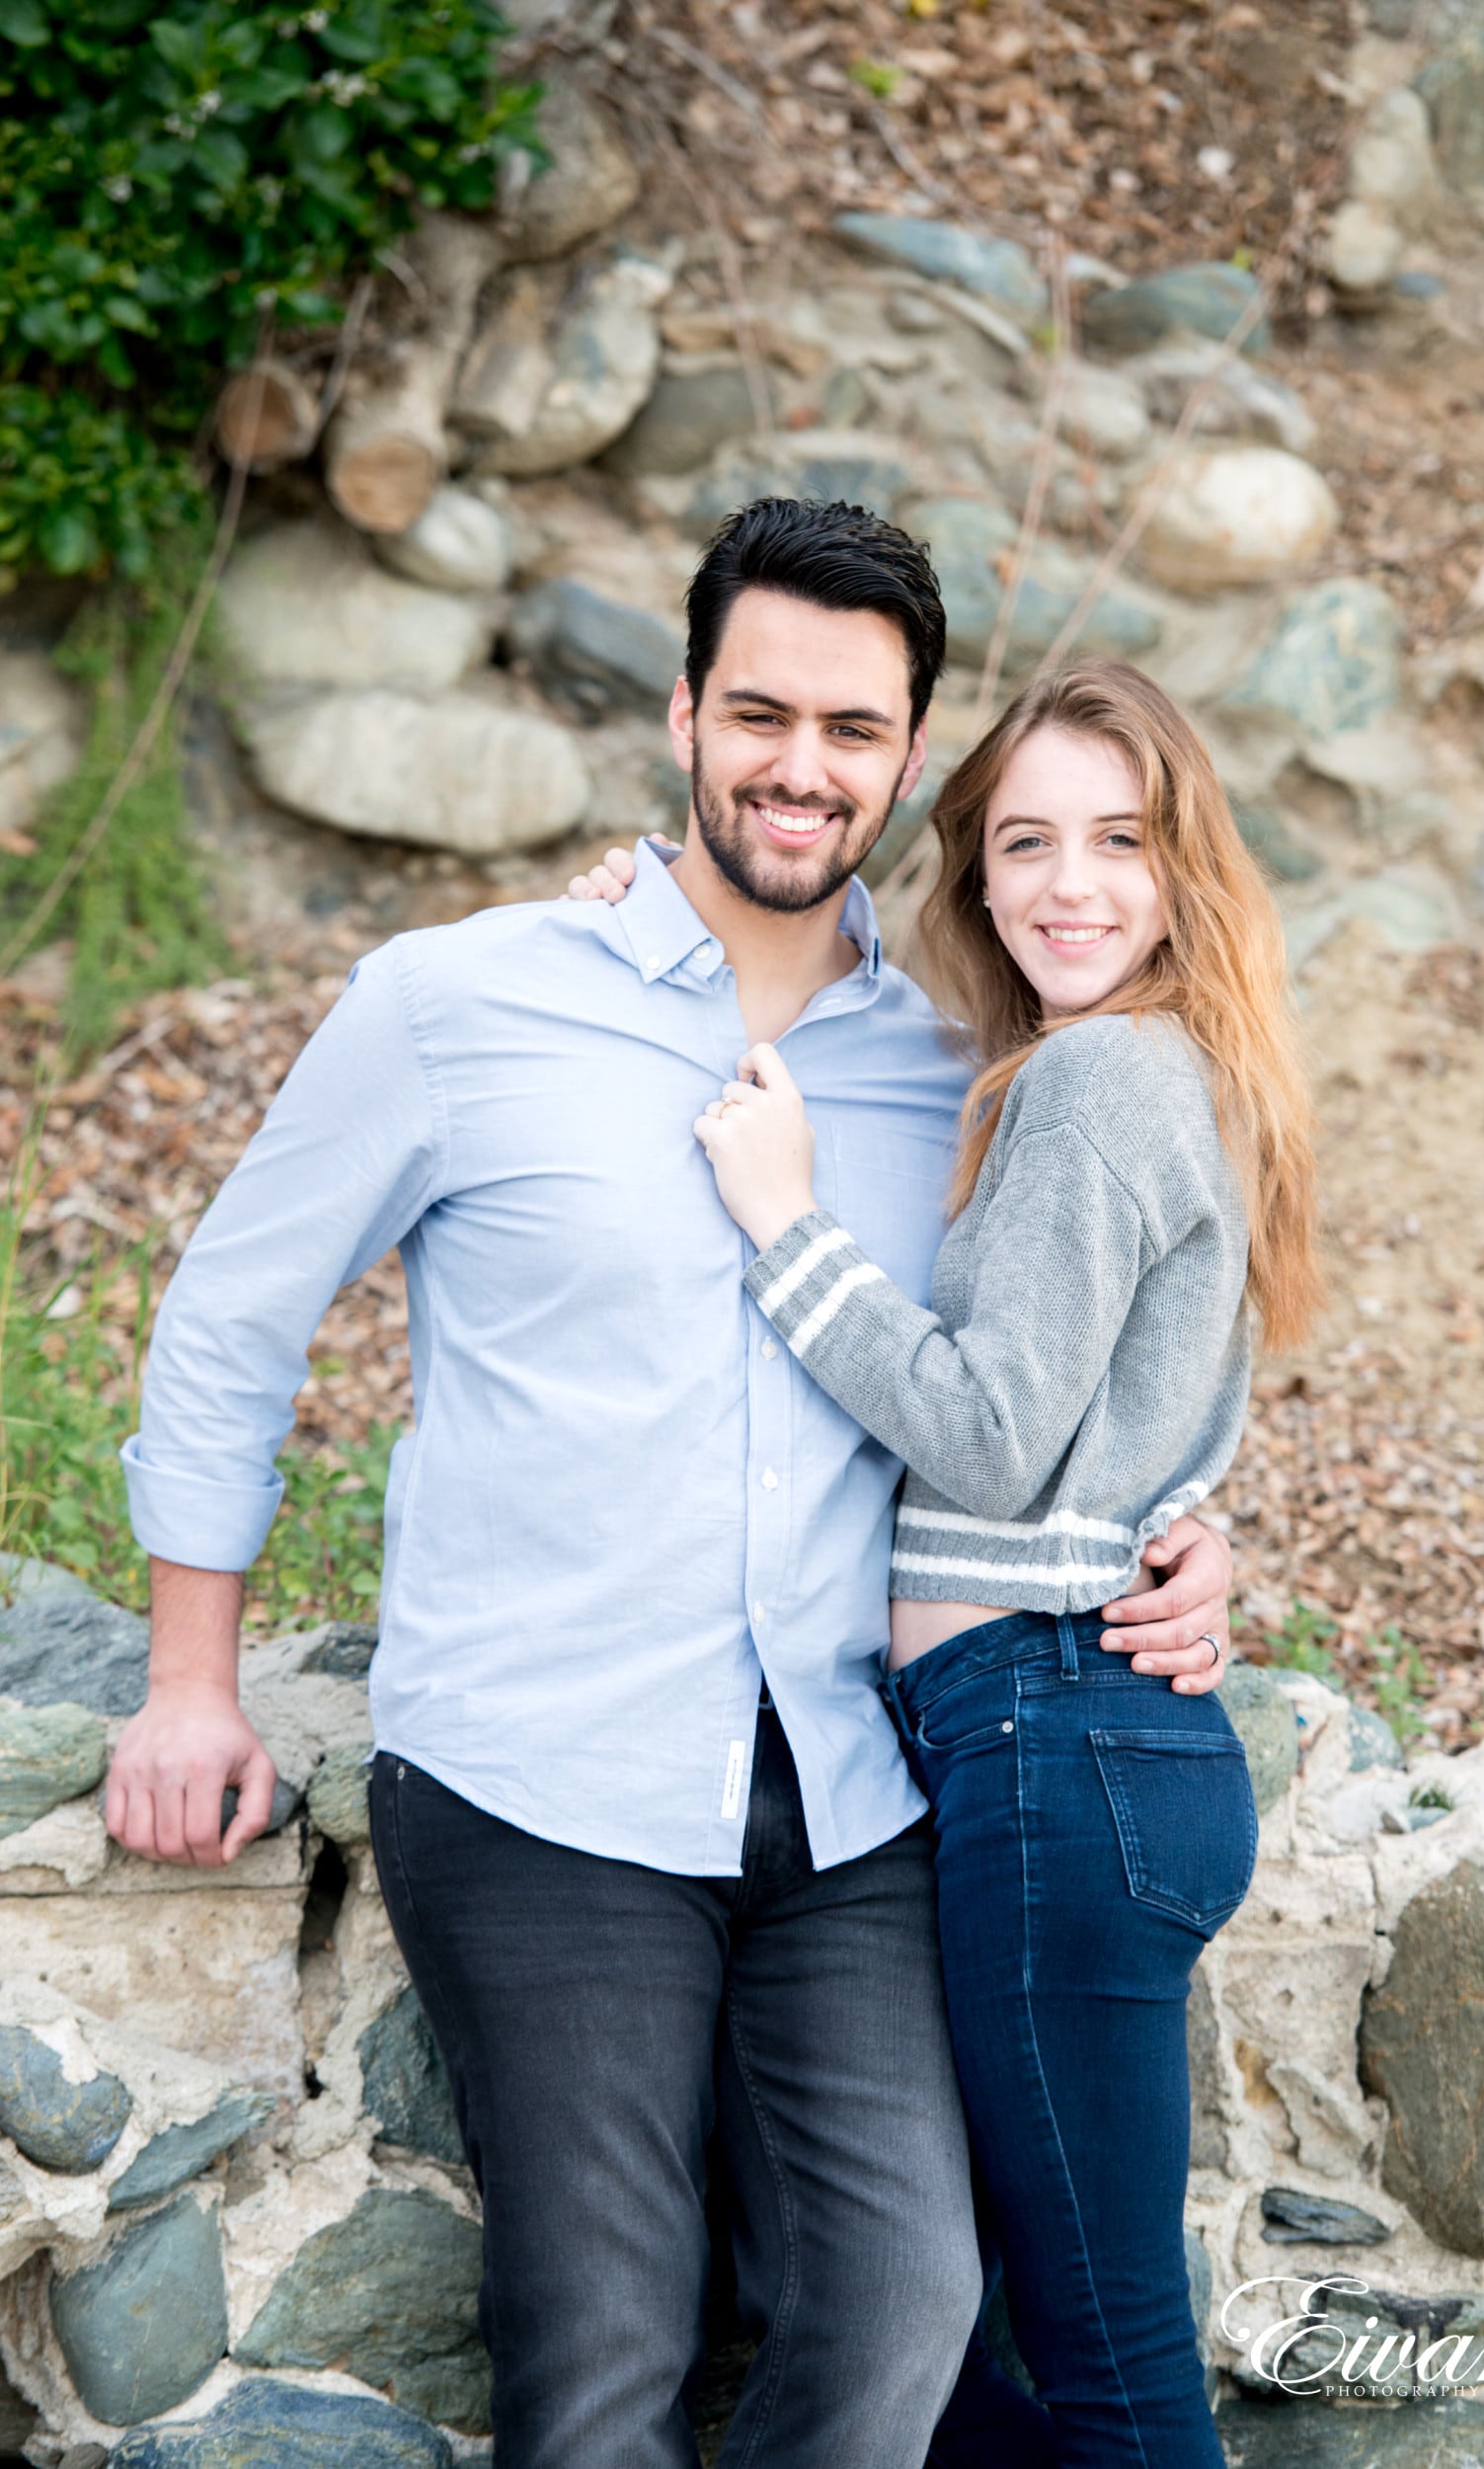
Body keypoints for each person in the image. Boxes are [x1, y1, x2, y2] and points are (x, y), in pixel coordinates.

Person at [105, 498, 1236, 2469]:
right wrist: (192, 1676)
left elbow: (1077, 1344)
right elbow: (228, 1315)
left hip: (859, 1783)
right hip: (546, 1773)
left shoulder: (965, 1055)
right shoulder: (456, 1004)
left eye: (856, 729)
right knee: (604, 2343)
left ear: (905, 758)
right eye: (763, 711)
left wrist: (1190, 1537)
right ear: (685, 713)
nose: (804, 766)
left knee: (903, 2307)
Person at [676, 658, 1323, 2467]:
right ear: (969, 872)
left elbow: (986, 1433)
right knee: (934, 2336)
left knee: (1099, 2372)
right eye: (1024, 841)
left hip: (1057, 1742)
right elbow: (1148, 1425)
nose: (1068, 884)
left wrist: (783, 1221)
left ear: (1186, 864)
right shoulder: (1133, 1065)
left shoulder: (1105, 1076)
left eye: (1119, 840)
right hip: (1068, 1745)